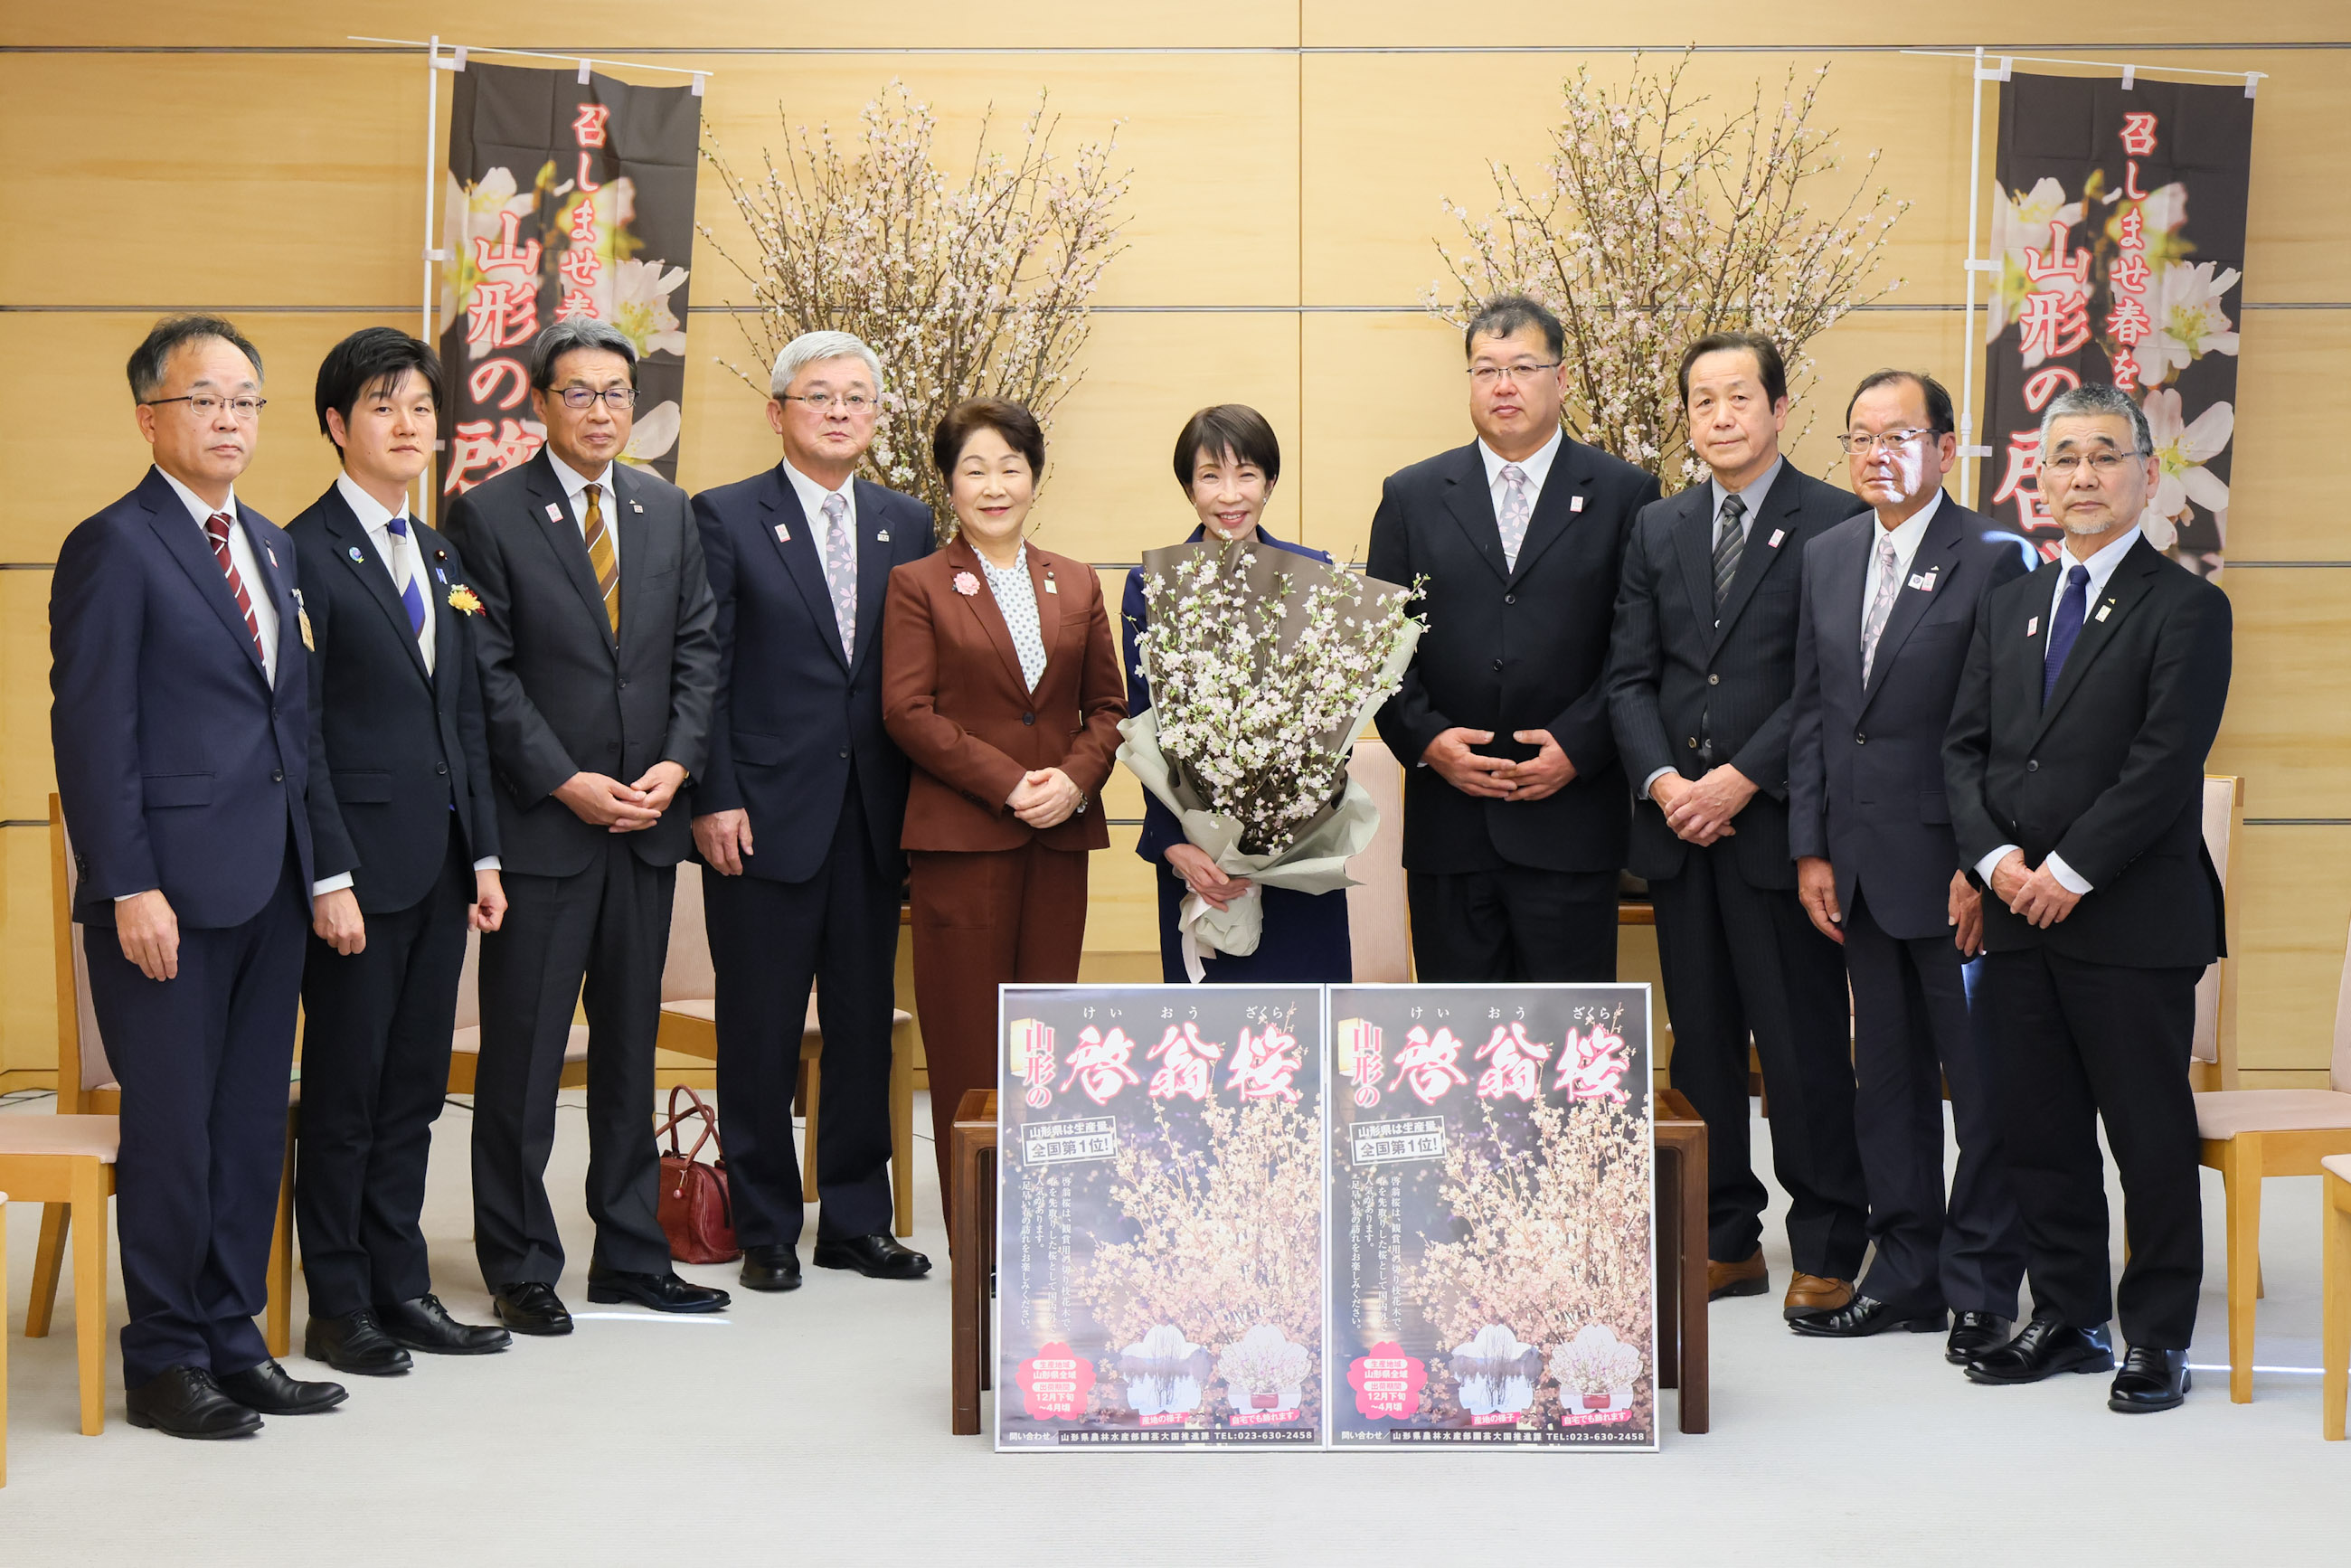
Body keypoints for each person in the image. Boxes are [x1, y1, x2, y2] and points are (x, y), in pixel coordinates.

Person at [50, 315, 345, 1437]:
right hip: (163, 895)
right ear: (149, 418)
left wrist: (322, 874)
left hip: (270, 884)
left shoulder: (270, 544)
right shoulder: (114, 545)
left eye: (243, 402)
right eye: (203, 400)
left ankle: (235, 1337)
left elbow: (293, 726)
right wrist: (127, 882)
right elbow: (91, 732)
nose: (228, 420)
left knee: (247, 1124)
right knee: (173, 1128)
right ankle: (165, 1358)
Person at [1943, 382, 2231, 1414]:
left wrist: (2063, 872)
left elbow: (2162, 764)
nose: (2080, 477)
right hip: (2017, 917)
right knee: (2039, 1130)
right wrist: (1994, 864)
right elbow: (1962, 750)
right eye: (2061, 457)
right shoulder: (2010, 601)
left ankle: (2155, 1336)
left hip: (2130, 921)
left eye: (2103, 457)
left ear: (2145, 474)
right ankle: (2066, 1315)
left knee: (2145, 1136)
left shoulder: (2188, 607)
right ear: (2038, 474)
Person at [441, 318, 723, 1333]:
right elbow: (488, 675)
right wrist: (565, 782)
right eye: (578, 393)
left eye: (616, 394)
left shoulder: (664, 509)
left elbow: (698, 651)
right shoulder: (484, 515)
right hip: (545, 832)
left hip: (646, 826)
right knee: (520, 1062)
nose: (601, 411)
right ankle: (519, 1264)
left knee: (631, 1056)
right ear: (539, 404)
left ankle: (631, 1256)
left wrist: (675, 765)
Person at [1607, 329, 1868, 1319]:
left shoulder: (1835, 522)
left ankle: (1828, 1239)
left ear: (1777, 410)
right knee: (1701, 1043)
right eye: (1702, 401)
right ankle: (1721, 1236)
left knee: (1798, 1044)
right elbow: (1628, 673)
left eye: (1737, 399)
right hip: (1677, 832)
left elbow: (1828, 681)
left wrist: (1737, 781)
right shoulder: (1657, 525)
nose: (1719, 416)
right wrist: (1668, 781)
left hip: (1777, 831)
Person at [1785, 369, 2031, 1363]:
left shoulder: (1993, 555)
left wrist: (1984, 862)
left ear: (1943, 446)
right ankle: (1905, 1275)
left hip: (1953, 873)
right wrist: (1808, 844)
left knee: (1980, 1089)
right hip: (1855, 865)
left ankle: (1981, 1285)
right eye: (1859, 436)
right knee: (1880, 1082)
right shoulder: (1828, 554)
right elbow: (1813, 713)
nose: (1877, 453)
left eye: (1899, 435)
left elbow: (2014, 732)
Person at [288, 328, 514, 1374]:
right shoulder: (299, 552)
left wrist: (485, 856)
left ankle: (400, 1284)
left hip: (437, 867)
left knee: (415, 1090)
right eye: (383, 407)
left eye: (421, 407)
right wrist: (324, 873)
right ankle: (336, 1305)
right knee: (344, 1097)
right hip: (351, 879)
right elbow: (300, 732)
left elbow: (461, 717)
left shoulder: (439, 552)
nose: (408, 425)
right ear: (337, 425)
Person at [690, 332, 935, 1291]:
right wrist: (711, 795)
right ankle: (762, 1225)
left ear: (875, 418)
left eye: (857, 398)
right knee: (759, 1028)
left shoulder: (905, 522)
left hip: (872, 817)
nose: (839, 412)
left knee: (864, 1024)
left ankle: (854, 1221)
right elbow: (701, 672)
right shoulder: (723, 517)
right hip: (758, 813)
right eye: (818, 395)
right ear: (777, 409)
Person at [1368, 296, 1661, 982]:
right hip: (1452, 825)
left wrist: (1580, 747)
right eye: (1486, 369)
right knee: (1455, 1043)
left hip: (1571, 822)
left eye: (1523, 366)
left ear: (1560, 380)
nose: (1503, 385)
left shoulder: (1626, 494)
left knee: (1566, 1051)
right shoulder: (1412, 495)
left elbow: (1638, 645)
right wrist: (1429, 743)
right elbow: (1381, 650)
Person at [882, 398, 1126, 1215]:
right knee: (967, 1045)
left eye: (1010, 468)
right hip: (964, 844)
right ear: (948, 483)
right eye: (974, 469)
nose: (994, 485)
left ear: (1035, 477)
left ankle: (1042, 1224)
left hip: (1058, 841)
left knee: (1047, 1042)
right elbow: (907, 711)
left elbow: (1108, 708)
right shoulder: (917, 583)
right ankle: (975, 1239)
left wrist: (1074, 779)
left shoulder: (1077, 579)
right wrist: (1010, 783)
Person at [1121, 404, 1352, 982]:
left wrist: (1293, 824)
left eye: (1246, 474)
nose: (1230, 494)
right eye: (1210, 476)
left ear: (1270, 482)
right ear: (1188, 486)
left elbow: (1332, 719)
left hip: (1298, 849)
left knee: (1304, 1030)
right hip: (1197, 859)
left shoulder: (1312, 572)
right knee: (1210, 1038)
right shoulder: (1152, 583)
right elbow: (1141, 721)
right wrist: (1175, 843)